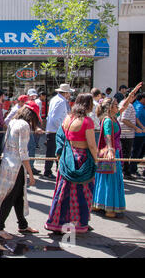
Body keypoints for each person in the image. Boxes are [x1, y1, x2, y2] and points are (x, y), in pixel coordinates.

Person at [44, 94, 98, 234]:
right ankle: (78, 223)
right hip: (82, 159)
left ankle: (56, 222)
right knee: (82, 194)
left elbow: (61, 136)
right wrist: (96, 160)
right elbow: (91, 145)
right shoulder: (86, 121)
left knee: (63, 193)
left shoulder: (68, 118)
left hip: (67, 158)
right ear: (88, 105)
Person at [92, 82, 142, 218]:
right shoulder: (108, 120)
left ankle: (99, 204)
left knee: (105, 178)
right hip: (111, 152)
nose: (117, 106)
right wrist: (110, 150)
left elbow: (124, 105)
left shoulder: (113, 117)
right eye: (115, 105)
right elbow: (108, 136)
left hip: (113, 151)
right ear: (109, 108)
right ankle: (108, 207)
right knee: (110, 180)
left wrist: (132, 94)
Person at [0, 103, 39, 240]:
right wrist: (31, 174)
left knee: (18, 196)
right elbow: (23, 153)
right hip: (17, 166)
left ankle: (23, 225)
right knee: (12, 196)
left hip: (8, 163)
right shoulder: (24, 126)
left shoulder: (13, 121)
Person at [44, 84, 74, 180]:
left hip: (53, 129)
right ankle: (49, 171)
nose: (69, 94)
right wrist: (63, 130)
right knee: (55, 151)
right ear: (65, 93)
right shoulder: (61, 102)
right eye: (69, 92)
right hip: (56, 130)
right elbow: (56, 118)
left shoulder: (55, 99)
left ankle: (51, 170)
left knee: (53, 151)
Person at [119, 93, 144, 180]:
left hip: (128, 134)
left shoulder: (129, 105)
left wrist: (141, 127)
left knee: (127, 153)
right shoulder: (127, 105)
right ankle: (126, 172)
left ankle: (126, 171)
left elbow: (135, 118)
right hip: (126, 134)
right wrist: (136, 128)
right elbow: (124, 119)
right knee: (126, 154)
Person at [130, 93, 145, 177]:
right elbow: (136, 118)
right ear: (142, 98)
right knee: (136, 153)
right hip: (139, 134)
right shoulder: (138, 106)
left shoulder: (138, 105)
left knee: (139, 153)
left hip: (141, 133)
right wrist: (142, 127)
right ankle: (132, 170)